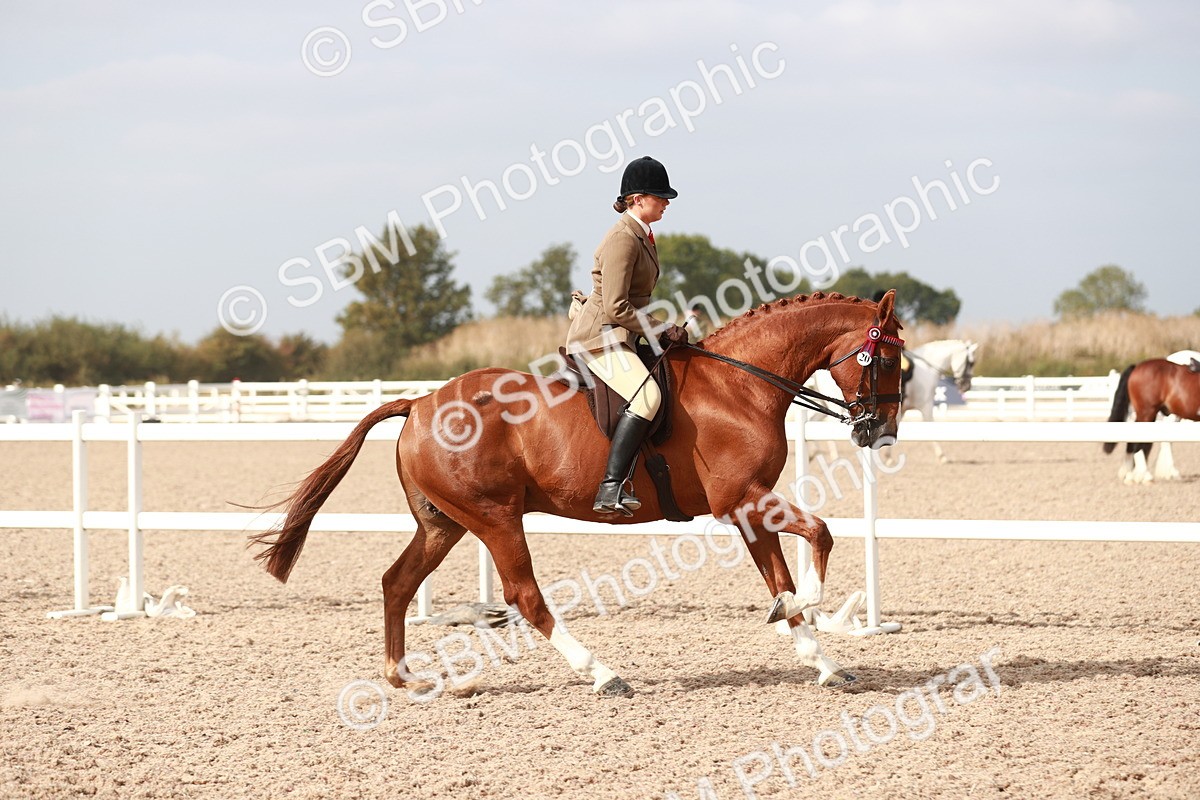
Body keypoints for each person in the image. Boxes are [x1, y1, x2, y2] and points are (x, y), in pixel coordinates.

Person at [565, 156, 689, 516]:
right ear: (637, 199)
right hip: (599, 336)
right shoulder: (623, 238)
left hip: (620, 333)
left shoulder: (642, 236)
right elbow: (618, 306)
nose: (666, 202)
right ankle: (609, 487)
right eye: (660, 196)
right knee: (648, 396)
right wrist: (661, 328)